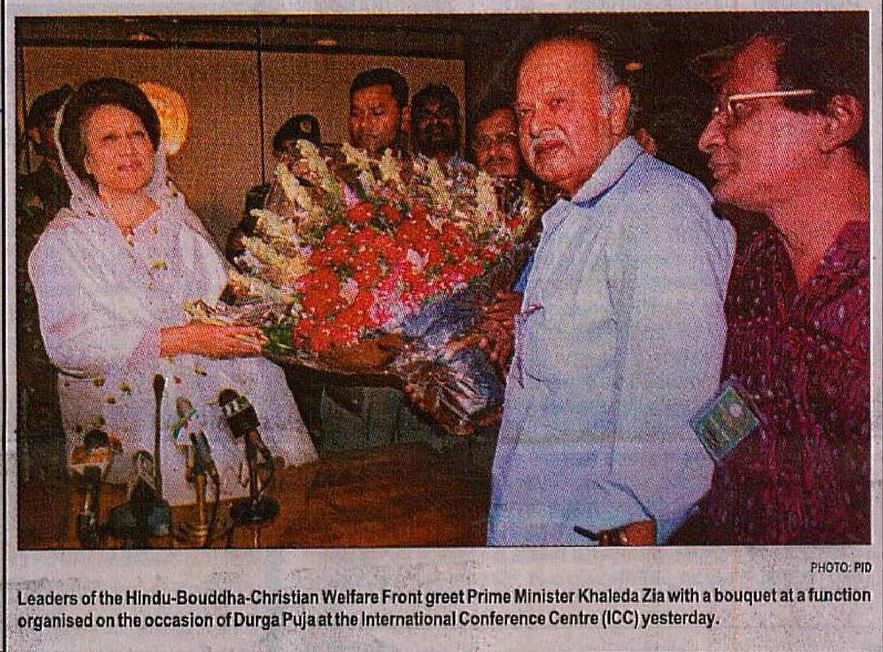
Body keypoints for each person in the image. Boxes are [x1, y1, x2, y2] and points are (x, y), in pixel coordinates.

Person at [486, 27, 735, 546]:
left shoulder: (658, 210)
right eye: (525, 112)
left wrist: (618, 548)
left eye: (558, 102)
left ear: (616, 108)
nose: (537, 126)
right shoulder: (578, 212)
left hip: (591, 551)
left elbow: (673, 421)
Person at [29, 78, 316, 505]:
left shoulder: (180, 223)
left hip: (216, 402)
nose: (128, 149)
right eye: (109, 139)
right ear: (85, 159)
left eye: (137, 134)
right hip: (127, 420)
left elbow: (223, 301)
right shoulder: (64, 242)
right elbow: (69, 343)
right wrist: (182, 338)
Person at [685, 28, 870, 544]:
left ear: (835, 120)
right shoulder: (755, 267)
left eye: (736, 110)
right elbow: (730, 422)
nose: (707, 136)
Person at [16, 84, 74, 481]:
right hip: (37, 339)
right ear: (37, 135)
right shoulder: (23, 193)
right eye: (55, 123)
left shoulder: (97, 189)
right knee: (49, 460)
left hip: (90, 334)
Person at [226, 113, 321, 262]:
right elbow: (238, 252)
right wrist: (238, 244)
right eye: (283, 152)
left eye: (297, 152)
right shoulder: (261, 197)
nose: (289, 159)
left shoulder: (329, 198)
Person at [347, 67, 410, 158]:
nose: (364, 124)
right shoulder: (333, 165)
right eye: (356, 114)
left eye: (377, 113)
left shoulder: (420, 166)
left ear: (404, 117)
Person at [411, 83, 464, 169]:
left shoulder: (473, 174)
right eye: (426, 116)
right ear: (415, 126)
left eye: (443, 113)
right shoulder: (403, 172)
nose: (435, 121)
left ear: (456, 120)